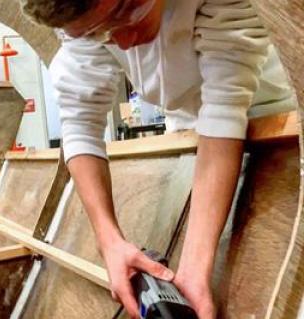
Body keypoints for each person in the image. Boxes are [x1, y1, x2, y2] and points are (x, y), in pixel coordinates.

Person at [20, 0, 295, 318]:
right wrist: (109, 243)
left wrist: (195, 270)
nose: (123, 42)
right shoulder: (88, 20)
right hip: (189, 125)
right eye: (99, 34)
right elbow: (79, 126)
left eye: (126, 11)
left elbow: (224, 106)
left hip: (276, 118)